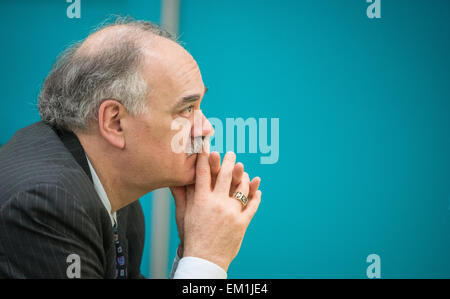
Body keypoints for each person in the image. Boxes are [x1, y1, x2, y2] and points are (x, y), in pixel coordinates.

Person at [0, 17, 261, 279]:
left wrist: (192, 249)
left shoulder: (120, 200)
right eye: (187, 109)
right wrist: (206, 257)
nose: (206, 129)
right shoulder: (44, 204)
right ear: (115, 122)